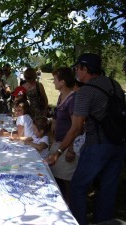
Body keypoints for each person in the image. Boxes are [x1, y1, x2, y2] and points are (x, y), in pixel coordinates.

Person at [47, 53, 126, 225]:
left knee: (77, 187)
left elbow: (76, 127)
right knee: (107, 190)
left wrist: (58, 152)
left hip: (97, 146)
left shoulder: (85, 92)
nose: (75, 71)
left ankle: (77, 222)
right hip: (118, 144)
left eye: (77, 68)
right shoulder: (115, 84)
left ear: (85, 69)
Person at [48, 67, 78, 205]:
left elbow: (77, 126)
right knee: (56, 180)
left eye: (55, 79)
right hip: (58, 143)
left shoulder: (72, 99)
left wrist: (71, 149)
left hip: (67, 147)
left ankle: (70, 210)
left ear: (63, 82)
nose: (53, 82)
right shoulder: (61, 97)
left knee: (67, 182)